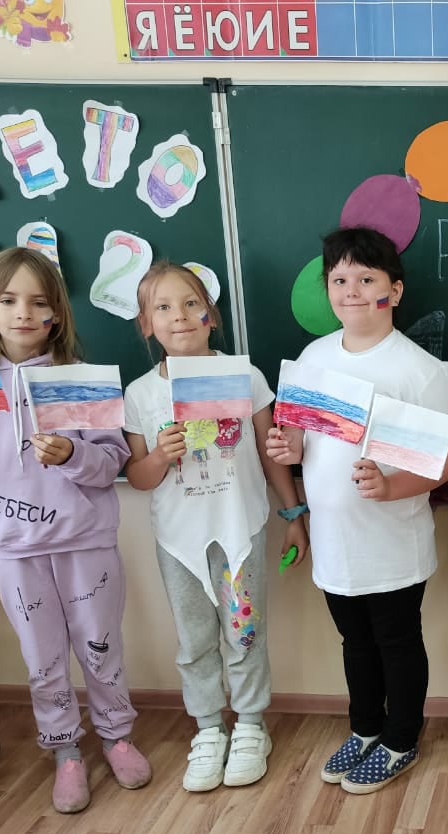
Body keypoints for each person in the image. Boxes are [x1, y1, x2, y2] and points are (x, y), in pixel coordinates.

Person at [0, 247, 150, 814]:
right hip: (16, 550)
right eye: (8, 299)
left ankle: (116, 736)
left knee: (101, 646)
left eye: (39, 302)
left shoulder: (79, 381)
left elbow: (111, 463)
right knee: (42, 656)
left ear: (57, 313)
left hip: (86, 543)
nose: (23, 312)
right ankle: (65, 750)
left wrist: (72, 454)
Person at [266, 227, 448, 794]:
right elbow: (301, 440)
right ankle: (365, 727)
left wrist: (392, 486)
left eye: (366, 278)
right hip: (335, 540)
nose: (351, 290)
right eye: (339, 280)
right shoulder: (314, 358)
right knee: (354, 641)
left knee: (396, 642)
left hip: (392, 540)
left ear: (394, 291)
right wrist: (288, 448)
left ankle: (401, 738)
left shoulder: (418, 370)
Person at [124, 262, 307, 792]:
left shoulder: (245, 377)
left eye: (191, 303)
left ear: (211, 315)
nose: (179, 316)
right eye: (163, 307)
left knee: (244, 633)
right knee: (194, 639)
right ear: (146, 324)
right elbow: (137, 477)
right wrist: (159, 456)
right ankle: (208, 728)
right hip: (179, 541)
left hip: (238, 532)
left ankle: (250, 724)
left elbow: (271, 455)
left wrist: (293, 513)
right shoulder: (140, 394)